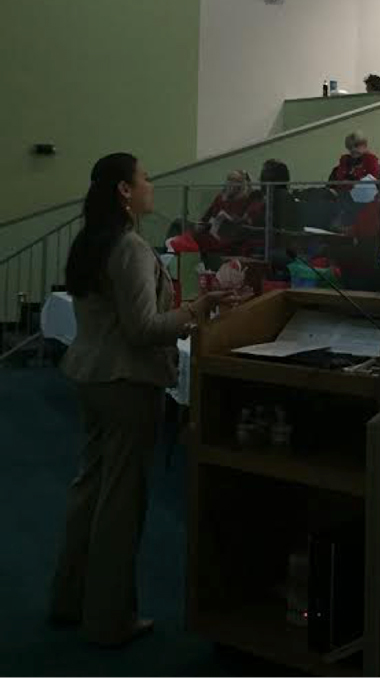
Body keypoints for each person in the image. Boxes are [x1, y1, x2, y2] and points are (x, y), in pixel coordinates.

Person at [51, 154, 238, 645]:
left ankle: (70, 600)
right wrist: (196, 310)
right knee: (120, 504)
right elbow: (142, 329)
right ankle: (109, 619)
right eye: (145, 177)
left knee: (89, 491)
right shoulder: (130, 247)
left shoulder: (91, 241)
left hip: (91, 376)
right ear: (124, 192)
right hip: (125, 383)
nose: (152, 184)